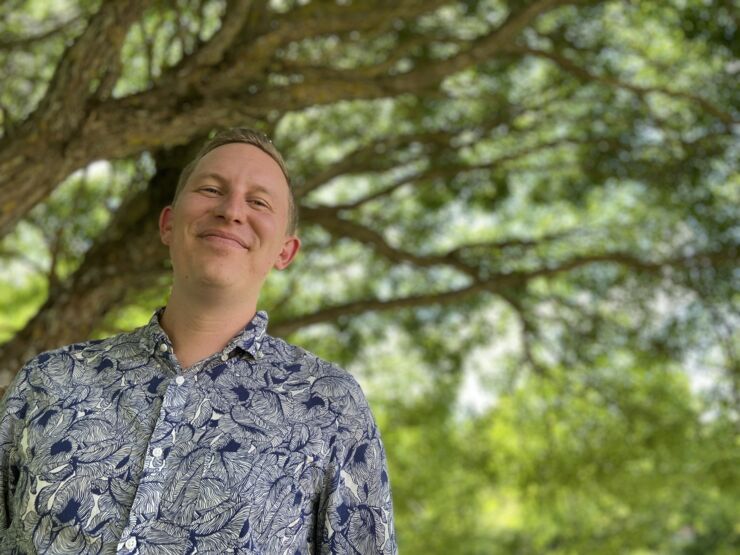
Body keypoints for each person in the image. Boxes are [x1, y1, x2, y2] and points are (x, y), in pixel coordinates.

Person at [0, 128, 396, 554]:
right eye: (211, 189)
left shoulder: (331, 408)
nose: (231, 211)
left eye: (258, 202)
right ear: (168, 224)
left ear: (285, 251)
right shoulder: (49, 380)